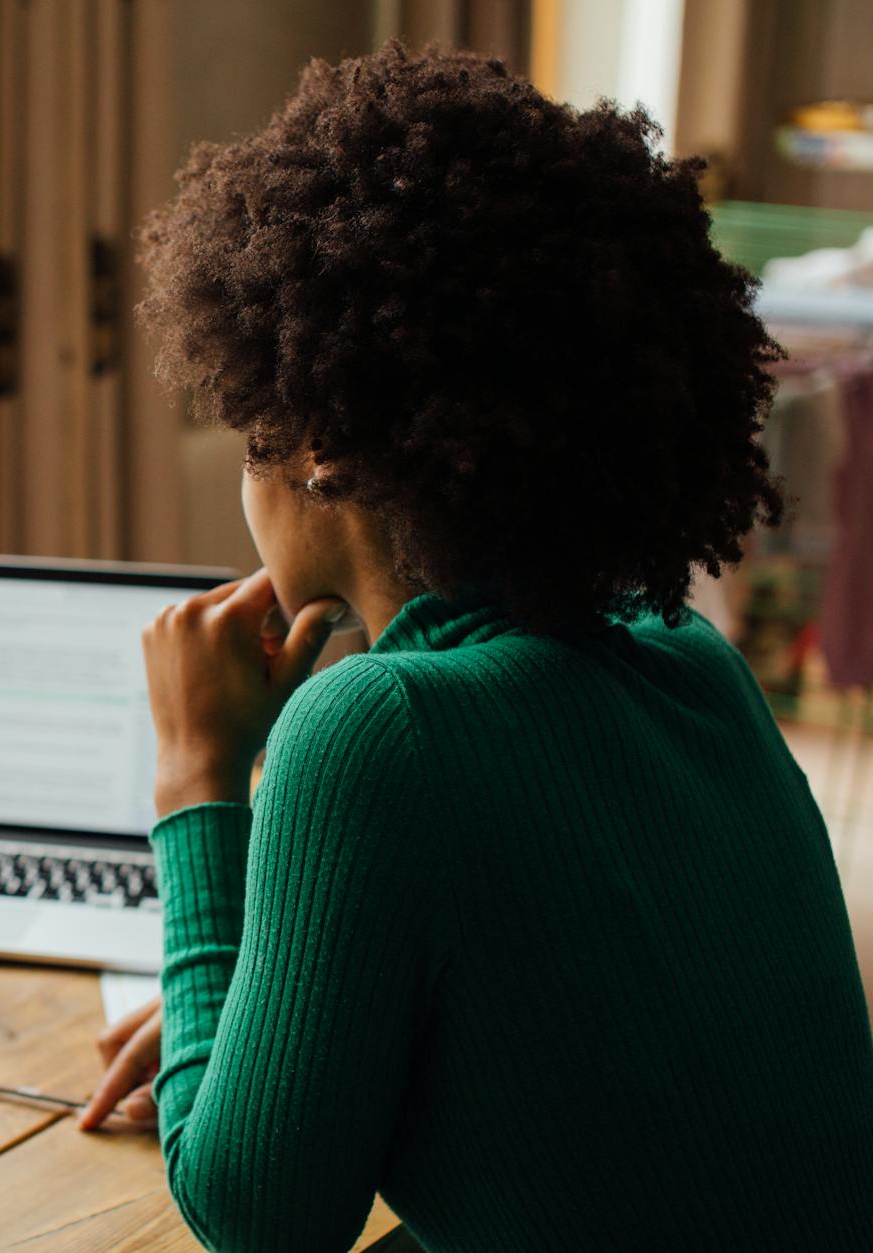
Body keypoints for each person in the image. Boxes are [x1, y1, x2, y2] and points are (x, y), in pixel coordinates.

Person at [80, 43, 873, 1251]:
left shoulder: (368, 732)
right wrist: (251, 1014)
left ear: (321, 443)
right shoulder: (687, 654)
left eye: (249, 430)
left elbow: (254, 1219)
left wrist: (196, 777)